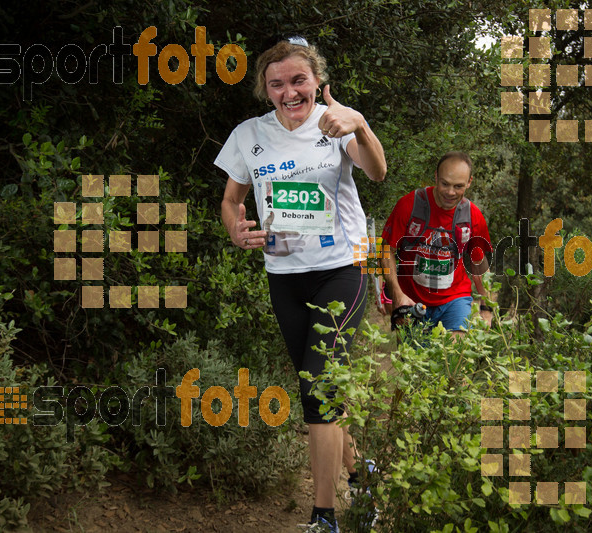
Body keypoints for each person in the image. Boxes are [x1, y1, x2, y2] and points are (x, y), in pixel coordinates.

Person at [215, 34, 386, 532]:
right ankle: (363, 474)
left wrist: (362, 124)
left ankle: (324, 517)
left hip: (345, 268)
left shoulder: (336, 124)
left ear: (317, 83)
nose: (289, 92)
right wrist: (235, 229)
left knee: (317, 389)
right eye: (277, 84)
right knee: (322, 391)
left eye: (299, 81)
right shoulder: (249, 135)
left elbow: (376, 172)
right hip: (284, 276)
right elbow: (231, 201)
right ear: (265, 90)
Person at [380, 152, 493, 337]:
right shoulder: (409, 205)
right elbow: (386, 251)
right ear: (436, 177)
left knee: (455, 359)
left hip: (455, 299)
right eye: (445, 184)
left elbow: (479, 263)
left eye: (458, 186)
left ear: (469, 182)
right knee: (414, 364)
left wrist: (487, 308)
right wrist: (396, 293)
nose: (450, 192)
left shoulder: (473, 216)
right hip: (411, 300)